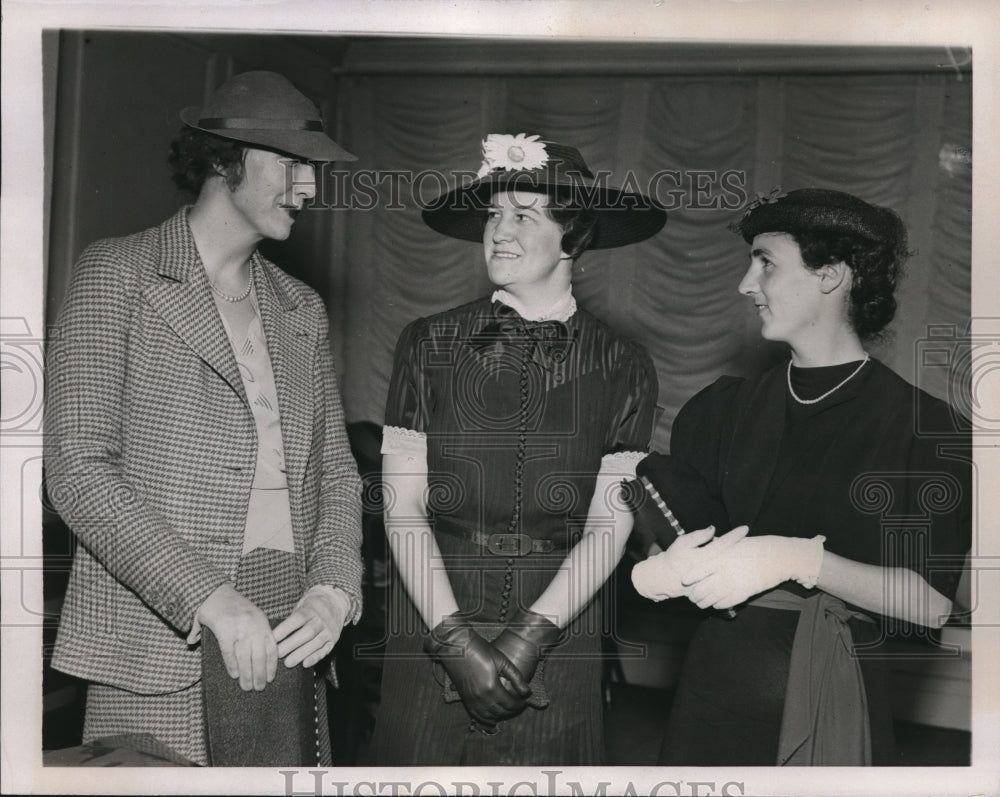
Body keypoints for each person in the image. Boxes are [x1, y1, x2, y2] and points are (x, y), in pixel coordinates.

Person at [44, 71, 364, 766]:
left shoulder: (301, 308)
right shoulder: (117, 275)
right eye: (292, 164)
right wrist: (209, 597)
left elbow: (336, 471)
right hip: (159, 648)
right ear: (224, 160)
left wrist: (334, 589)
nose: (310, 188)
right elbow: (77, 470)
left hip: (290, 638)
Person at [631, 188, 972, 765]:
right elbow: (676, 533)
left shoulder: (923, 428)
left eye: (765, 262)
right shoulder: (724, 409)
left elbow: (933, 605)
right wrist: (656, 569)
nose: (746, 284)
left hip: (830, 689)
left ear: (831, 276)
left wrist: (800, 560)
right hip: (712, 688)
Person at [369, 134, 666, 765]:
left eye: (524, 215)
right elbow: (401, 509)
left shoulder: (625, 365)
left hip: (561, 630)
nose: (499, 231)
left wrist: (533, 636)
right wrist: (453, 640)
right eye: (493, 213)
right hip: (432, 610)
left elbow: (609, 526)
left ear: (574, 237)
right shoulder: (427, 343)